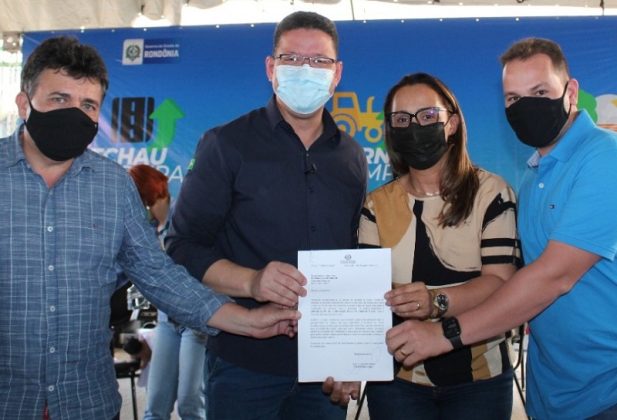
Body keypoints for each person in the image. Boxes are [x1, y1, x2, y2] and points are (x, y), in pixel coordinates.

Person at [0, 36, 299, 420]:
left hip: (86, 404)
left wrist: (248, 321)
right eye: (60, 98)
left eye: (88, 104)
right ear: (24, 103)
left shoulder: (113, 185)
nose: (75, 113)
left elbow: (158, 275)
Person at [385, 38, 617, 420]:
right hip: (555, 392)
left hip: (606, 389)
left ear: (571, 92)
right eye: (513, 98)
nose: (526, 106)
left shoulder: (604, 156)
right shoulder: (534, 176)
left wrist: (444, 333)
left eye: (539, 92)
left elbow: (553, 277)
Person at [165, 11, 368, 420]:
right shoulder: (227, 144)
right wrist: (252, 281)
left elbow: (354, 256)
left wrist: (354, 351)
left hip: (325, 367)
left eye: (319, 61)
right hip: (243, 361)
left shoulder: (351, 156)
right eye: (292, 59)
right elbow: (181, 246)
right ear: (271, 68)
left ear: (337, 73)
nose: (305, 70)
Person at [357, 72, 520, 419]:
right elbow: (365, 297)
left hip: (480, 378)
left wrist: (435, 301)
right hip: (398, 381)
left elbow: (501, 283)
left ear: (453, 124)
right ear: (390, 130)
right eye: (402, 119)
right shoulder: (376, 205)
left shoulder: (493, 193)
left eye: (428, 115)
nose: (415, 126)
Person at [128, 164, 208, 420]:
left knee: (190, 403)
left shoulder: (184, 219)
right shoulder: (148, 228)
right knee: (155, 405)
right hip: (166, 320)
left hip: (194, 322)